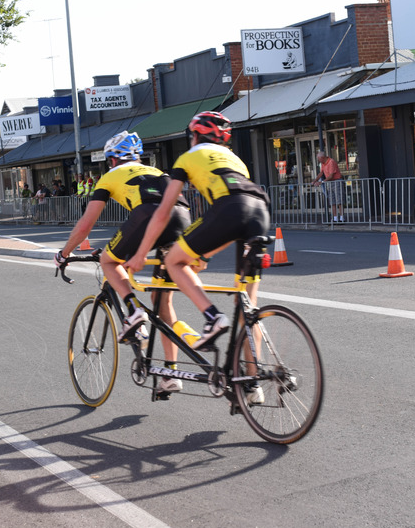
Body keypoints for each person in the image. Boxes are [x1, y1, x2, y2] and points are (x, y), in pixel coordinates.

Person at [125, 111, 270, 404]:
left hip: (230, 207)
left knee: (173, 261)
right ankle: (254, 386)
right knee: (247, 308)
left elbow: (165, 210)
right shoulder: (235, 160)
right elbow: (238, 220)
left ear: (194, 136)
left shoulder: (188, 157)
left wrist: (141, 253)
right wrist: (204, 253)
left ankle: (211, 317)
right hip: (261, 211)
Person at [55, 131, 192, 393]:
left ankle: (133, 310)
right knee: (163, 303)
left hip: (148, 216)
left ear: (113, 160)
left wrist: (63, 254)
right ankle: (171, 374)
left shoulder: (110, 177)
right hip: (182, 218)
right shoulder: (157, 171)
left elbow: (86, 224)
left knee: (109, 260)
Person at [312, 150, 344, 222]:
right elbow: (321, 173)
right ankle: (335, 218)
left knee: (339, 200)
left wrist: (321, 182)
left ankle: (342, 218)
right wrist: (315, 180)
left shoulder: (331, 162)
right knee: (332, 200)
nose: (319, 161)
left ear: (322, 157)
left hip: (336, 181)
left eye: (319, 159)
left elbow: (331, 176)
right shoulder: (323, 164)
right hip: (330, 182)